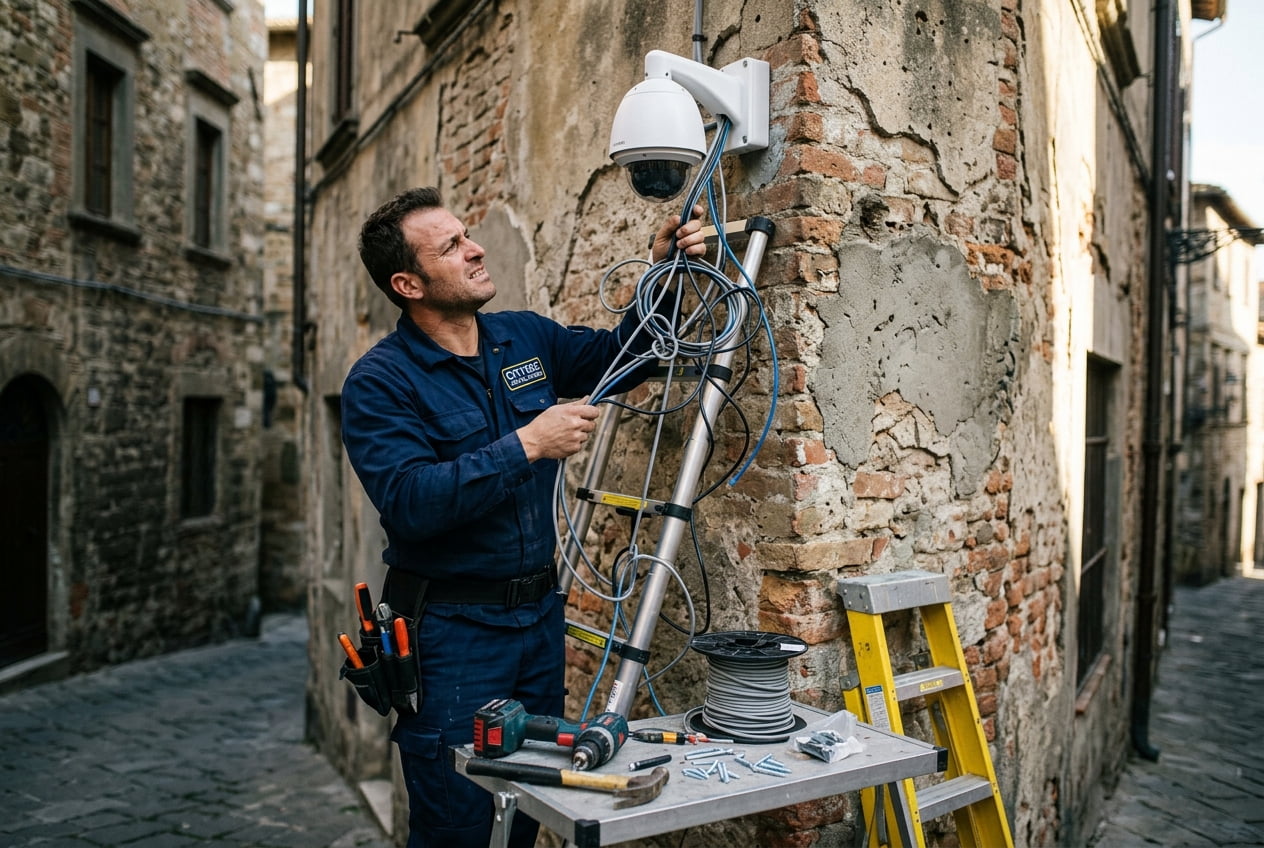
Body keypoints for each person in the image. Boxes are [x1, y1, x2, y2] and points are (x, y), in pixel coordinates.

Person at [341, 186, 706, 848]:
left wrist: (665, 275)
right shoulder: (380, 383)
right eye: (451, 246)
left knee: (528, 811)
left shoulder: (524, 338)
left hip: (538, 623)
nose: (475, 247)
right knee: (458, 822)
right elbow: (410, 503)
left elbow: (626, 355)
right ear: (408, 283)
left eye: (466, 234)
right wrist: (529, 444)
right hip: (452, 640)